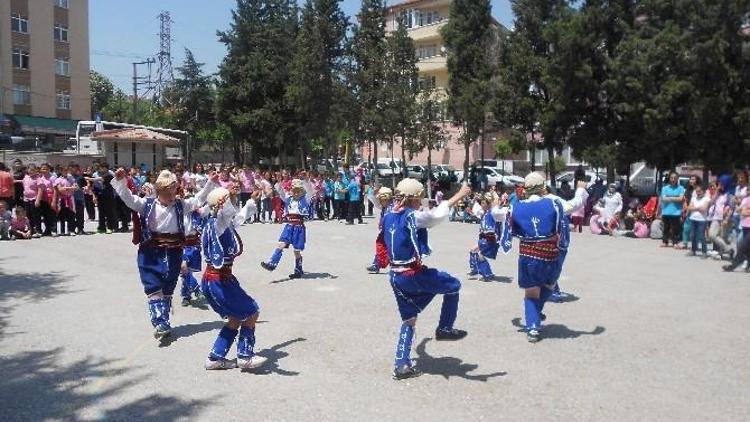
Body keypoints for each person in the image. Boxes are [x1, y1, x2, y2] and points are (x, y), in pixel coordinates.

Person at [112, 168, 219, 341]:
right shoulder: (146, 204)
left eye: (174, 192)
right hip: (150, 252)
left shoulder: (179, 205)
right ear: (159, 191)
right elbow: (128, 198)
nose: (172, 196)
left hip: (173, 252)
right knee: (153, 286)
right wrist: (122, 181)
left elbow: (198, 200)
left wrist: (209, 182)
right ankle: (159, 322)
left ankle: (164, 320)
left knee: (168, 287)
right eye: (168, 193)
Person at [381, 179, 472, 380]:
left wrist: (423, 347)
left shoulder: (388, 216)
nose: (421, 202)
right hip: (413, 274)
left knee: (409, 319)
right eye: (419, 198)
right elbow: (435, 216)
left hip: (396, 276)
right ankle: (445, 328)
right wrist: (460, 194)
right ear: (413, 198)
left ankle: (402, 364)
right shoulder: (412, 216)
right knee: (453, 285)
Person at [201, 187, 268, 370]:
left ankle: (215, 358)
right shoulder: (217, 224)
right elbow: (228, 213)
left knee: (234, 318)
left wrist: (251, 201)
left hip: (218, 280)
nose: (234, 202)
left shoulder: (220, 223)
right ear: (222, 205)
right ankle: (245, 356)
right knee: (251, 312)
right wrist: (227, 196)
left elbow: (238, 218)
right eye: (230, 200)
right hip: (219, 281)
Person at [500, 172, 571, 342]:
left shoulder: (515, 207)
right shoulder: (553, 203)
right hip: (549, 253)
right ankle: (534, 316)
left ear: (526, 189)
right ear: (543, 188)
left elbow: (509, 228)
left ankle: (533, 327)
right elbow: (569, 211)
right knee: (550, 284)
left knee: (531, 292)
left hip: (527, 254)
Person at [261, 179, 311, 279]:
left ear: (302, 191)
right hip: (289, 226)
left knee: (296, 251)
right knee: (281, 244)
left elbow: (310, 191)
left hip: (299, 227)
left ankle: (298, 270)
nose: (296, 193)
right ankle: (272, 264)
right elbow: (281, 192)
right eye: (294, 190)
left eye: (298, 191)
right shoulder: (289, 199)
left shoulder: (305, 200)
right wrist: (278, 182)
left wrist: (305, 181)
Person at [467, 193, 507, 281]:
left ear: (488, 204)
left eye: (483, 203)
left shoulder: (492, 213)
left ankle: (487, 274)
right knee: (473, 250)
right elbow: (479, 219)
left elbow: (492, 228)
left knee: (480, 255)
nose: (482, 204)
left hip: (490, 239)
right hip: (485, 238)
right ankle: (477, 270)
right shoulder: (485, 213)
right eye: (481, 203)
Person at [366, 186, 393, 274]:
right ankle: (376, 264)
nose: (381, 202)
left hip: (393, 232)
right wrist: (374, 193)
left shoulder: (394, 207)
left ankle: (398, 266)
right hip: (384, 232)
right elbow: (374, 201)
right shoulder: (383, 207)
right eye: (381, 200)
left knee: (393, 249)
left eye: (382, 200)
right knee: (380, 246)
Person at [707, 175, 734, 260]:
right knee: (711, 235)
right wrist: (716, 193)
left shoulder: (730, 194)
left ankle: (721, 253)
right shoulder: (718, 193)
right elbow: (710, 203)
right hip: (716, 217)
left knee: (722, 237)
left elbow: (731, 207)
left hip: (725, 219)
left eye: (722, 183)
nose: (720, 185)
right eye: (719, 183)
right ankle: (729, 249)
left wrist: (726, 219)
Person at [659, 172, 686, 247]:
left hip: (676, 212)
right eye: (672, 178)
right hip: (666, 211)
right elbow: (663, 199)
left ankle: (675, 242)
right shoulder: (665, 188)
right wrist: (675, 197)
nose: (673, 179)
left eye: (675, 178)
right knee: (666, 228)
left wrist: (669, 197)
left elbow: (680, 199)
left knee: (676, 229)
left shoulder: (681, 188)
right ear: (669, 178)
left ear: (677, 179)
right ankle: (665, 241)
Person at [686, 183, 710, 258]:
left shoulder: (707, 199)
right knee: (692, 235)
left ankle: (704, 252)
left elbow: (704, 209)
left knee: (701, 236)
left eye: (699, 191)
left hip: (702, 220)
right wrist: (698, 208)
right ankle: (693, 250)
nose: (698, 193)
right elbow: (689, 208)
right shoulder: (693, 198)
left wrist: (695, 208)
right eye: (697, 191)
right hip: (693, 219)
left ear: (703, 191)